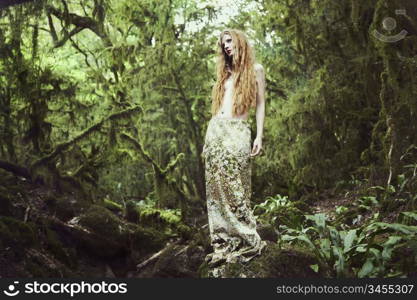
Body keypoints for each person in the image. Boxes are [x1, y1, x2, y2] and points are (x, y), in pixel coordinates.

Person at [202, 29, 267, 274]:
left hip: (238, 131)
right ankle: (221, 240)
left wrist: (259, 135)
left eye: (229, 41)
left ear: (239, 40)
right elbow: (218, 107)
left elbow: (260, 104)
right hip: (216, 130)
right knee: (214, 189)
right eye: (223, 44)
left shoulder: (255, 70)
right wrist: (209, 138)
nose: (226, 46)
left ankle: (246, 235)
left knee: (235, 184)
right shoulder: (225, 74)